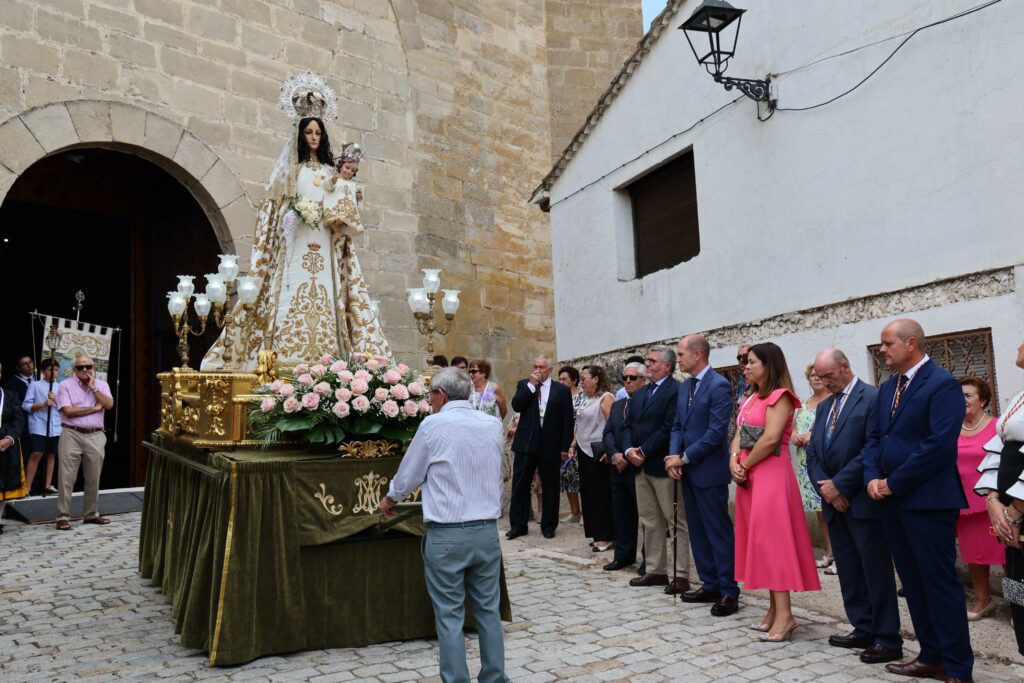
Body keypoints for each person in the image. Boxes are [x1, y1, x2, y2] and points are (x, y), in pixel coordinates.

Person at [202, 73, 391, 370]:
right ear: (300, 135)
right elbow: (271, 211)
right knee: (293, 289)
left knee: (328, 294)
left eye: (318, 132)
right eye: (309, 133)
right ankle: (287, 356)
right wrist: (296, 211)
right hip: (297, 242)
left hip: (325, 242)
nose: (314, 137)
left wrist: (341, 213)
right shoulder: (289, 172)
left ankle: (333, 358)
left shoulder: (332, 169)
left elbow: (342, 198)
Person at [377, 368, 507, 683]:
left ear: (442, 396)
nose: (430, 401)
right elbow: (497, 472)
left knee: (450, 615)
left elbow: (409, 474)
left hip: (447, 532)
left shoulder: (433, 424)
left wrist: (390, 499)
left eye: (431, 395)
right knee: (488, 611)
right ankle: (494, 677)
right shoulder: (492, 424)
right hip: (487, 530)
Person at [863, 319, 973, 682]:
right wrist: (872, 480)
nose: (882, 350)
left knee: (939, 583)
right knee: (911, 582)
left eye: (887, 343)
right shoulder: (888, 386)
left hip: (927, 501)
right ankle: (931, 655)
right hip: (891, 502)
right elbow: (874, 438)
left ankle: (958, 667)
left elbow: (938, 446)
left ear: (911, 343)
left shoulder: (942, 384)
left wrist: (894, 482)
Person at [807, 349, 902, 664]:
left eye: (829, 377)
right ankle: (862, 626)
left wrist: (842, 485)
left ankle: (887, 637)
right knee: (848, 569)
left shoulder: (872, 398)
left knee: (875, 571)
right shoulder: (825, 406)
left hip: (862, 501)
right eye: (820, 378)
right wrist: (827, 488)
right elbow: (814, 454)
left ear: (845, 367)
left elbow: (871, 449)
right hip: (835, 502)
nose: (824, 382)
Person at [731, 342, 820, 642]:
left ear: (769, 365)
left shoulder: (781, 397)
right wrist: (734, 461)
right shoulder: (751, 397)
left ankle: (786, 616)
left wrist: (745, 465)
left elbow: (770, 439)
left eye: (752, 361)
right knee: (761, 543)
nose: (746, 366)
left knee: (774, 543)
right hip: (750, 475)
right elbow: (739, 432)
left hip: (769, 475)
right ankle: (773, 610)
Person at [666, 334, 739, 616]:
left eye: (682, 354)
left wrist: (684, 457)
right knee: (697, 530)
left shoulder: (719, 385)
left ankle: (729, 590)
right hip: (687, 471)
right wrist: (674, 457)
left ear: (698, 354)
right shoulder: (685, 388)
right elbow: (677, 427)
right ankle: (709, 583)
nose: (679, 359)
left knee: (718, 532)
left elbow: (715, 433)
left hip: (709, 471)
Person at [624, 345, 688, 593]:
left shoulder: (676, 391)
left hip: (662, 464)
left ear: (667, 366)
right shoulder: (641, 393)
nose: (647, 365)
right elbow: (628, 424)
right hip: (640, 467)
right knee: (649, 520)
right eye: (647, 361)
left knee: (676, 521)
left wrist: (644, 451)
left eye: (652, 361)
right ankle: (655, 569)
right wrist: (630, 450)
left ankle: (681, 574)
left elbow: (669, 426)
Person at [975, 338, 1024, 658]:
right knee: (1019, 589)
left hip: (1019, 512)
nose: (1018, 345)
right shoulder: (1020, 396)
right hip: (1010, 511)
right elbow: (999, 446)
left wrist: (1015, 512)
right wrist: (993, 499)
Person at [507, 356, 573, 539]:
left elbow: (568, 421)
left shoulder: (561, 390)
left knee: (551, 486)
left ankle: (549, 525)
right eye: (535, 366)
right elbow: (516, 405)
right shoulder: (524, 385)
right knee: (520, 485)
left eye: (542, 367)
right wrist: (531, 385)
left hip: (550, 444)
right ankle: (518, 525)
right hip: (526, 443)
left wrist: (565, 447)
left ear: (550, 369)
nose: (538, 370)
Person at [956, 377, 1002, 621]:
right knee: (974, 556)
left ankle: (1020, 605)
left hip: (995, 504)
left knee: (1009, 560)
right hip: (964, 505)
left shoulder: (997, 427)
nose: (962, 400)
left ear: (982, 400)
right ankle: (983, 600)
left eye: (968, 395)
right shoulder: (951, 427)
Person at [55, 354, 114, 530]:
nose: (85, 370)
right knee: (66, 477)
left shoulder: (102, 385)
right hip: (71, 433)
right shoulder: (65, 385)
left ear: (93, 367)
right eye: (80, 367)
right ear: (74, 370)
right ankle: (63, 516)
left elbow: (109, 405)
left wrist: (95, 390)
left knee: (93, 476)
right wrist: (93, 408)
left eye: (88, 366)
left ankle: (91, 514)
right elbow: (68, 411)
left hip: (95, 435)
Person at [602, 362, 646, 571]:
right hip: (617, 467)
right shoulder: (619, 405)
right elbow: (608, 432)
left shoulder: (647, 402)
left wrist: (628, 456)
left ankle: (650, 561)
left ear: (643, 380)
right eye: (624, 378)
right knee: (621, 514)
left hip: (638, 467)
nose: (627, 381)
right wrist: (614, 455)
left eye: (632, 378)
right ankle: (623, 556)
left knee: (646, 517)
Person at [791, 362, 835, 572]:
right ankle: (829, 553)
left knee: (831, 509)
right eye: (812, 376)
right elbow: (792, 428)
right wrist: (795, 436)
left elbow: (834, 431)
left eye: (819, 375)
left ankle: (838, 553)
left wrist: (813, 436)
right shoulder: (805, 403)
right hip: (804, 463)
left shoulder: (833, 400)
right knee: (819, 511)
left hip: (824, 462)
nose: (816, 379)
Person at [570, 365, 615, 552]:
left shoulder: (605, 398)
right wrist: (573, 445)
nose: (581, 381)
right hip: (583, 449)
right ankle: (596, 533)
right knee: (588, 495)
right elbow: (578, 425)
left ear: (596, 379)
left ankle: (607, 535)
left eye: (585, 378)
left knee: (600, 494)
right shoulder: (584, 399)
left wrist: (609, 449)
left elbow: (612, 425)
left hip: (598, 450)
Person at [22, 358, 62, 497]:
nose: (54, 372)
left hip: (56, 425)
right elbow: (26, 405)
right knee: (36, 453)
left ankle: (47, 485)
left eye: (56, 370)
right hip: (39, 423)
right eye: (50, 370)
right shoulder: (35, 385)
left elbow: (65, 407)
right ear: (44, 371)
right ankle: (27, 487)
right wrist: (43, 404)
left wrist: (56, 400)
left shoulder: (61, 387)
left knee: (52, 454)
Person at [0, 361, 27, 533]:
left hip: (6, 446)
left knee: (4, 485)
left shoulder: (9, 395)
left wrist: (10, 438)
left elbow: (19, 420)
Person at [557, 366, 584, 523]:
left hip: (579, 441)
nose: (561, 382)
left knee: (581, 478)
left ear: (574, 380)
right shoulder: (560, 396)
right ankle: (575, 512)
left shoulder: (582, 396)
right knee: (567, 477)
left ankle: (587, 513)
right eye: (559, 379)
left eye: (564, 379)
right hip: (564, 441)